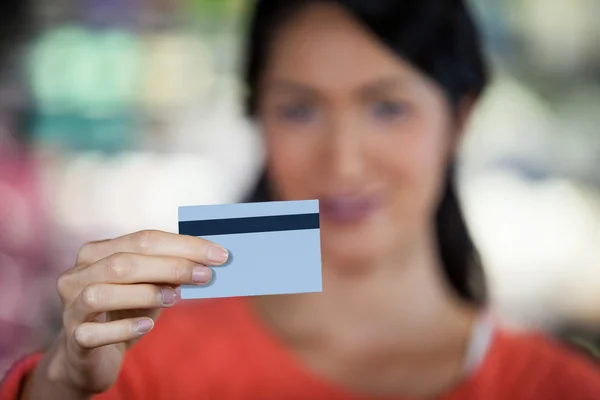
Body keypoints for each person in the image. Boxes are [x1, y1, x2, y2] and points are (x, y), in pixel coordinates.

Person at [2, 0, 600, 399]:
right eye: (300, 108)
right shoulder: (138, 367)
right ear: (257, 117)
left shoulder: (559, 387)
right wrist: (57, 386)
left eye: (388, 107)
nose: (342, 162)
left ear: (461, 119)